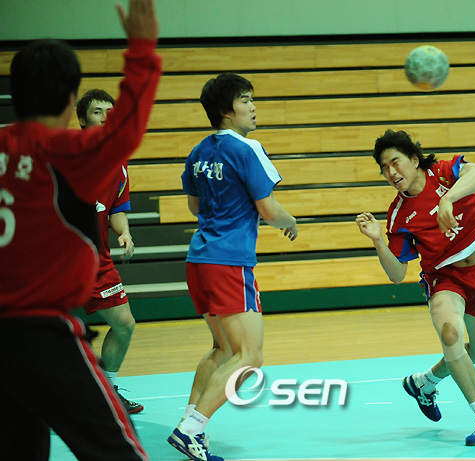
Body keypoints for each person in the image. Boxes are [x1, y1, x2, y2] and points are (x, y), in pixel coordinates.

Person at [0, 0, 161, 459]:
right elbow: (127, 128)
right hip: (41, 333)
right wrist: (142, 48)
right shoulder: (67, 152)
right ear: (72, 99)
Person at [167, 72, 298, 461]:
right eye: (245, 100)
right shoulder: (247, 148)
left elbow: (194, 205)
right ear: (227, 110)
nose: (253, 107)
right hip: (229, 263)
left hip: (199, 260)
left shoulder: (198, 151)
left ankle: (189, 423)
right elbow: (269, 210)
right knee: (249, 356)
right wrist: (290, 221)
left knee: (223, 349)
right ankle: (191, 429)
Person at [356, 129, 475, 446]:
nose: (391, 172)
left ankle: (425, 382)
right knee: (451, 334)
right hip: (445, 278)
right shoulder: (399, 215)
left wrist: (448, 197)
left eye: (395, 162)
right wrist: (378, 241)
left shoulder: (445, 173)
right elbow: (397, 274)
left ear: (414, 159)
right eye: (384, 168)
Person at [76, 88, 143, 414]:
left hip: (97, 260)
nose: (105, 118)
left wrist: (124, 232)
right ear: (82, 120)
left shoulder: (119, 163)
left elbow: (116, 207)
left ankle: (107, 390)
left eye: (110, 112)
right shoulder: (68, 157)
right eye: (97, 112)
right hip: (59, 259)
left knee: (124, 324)